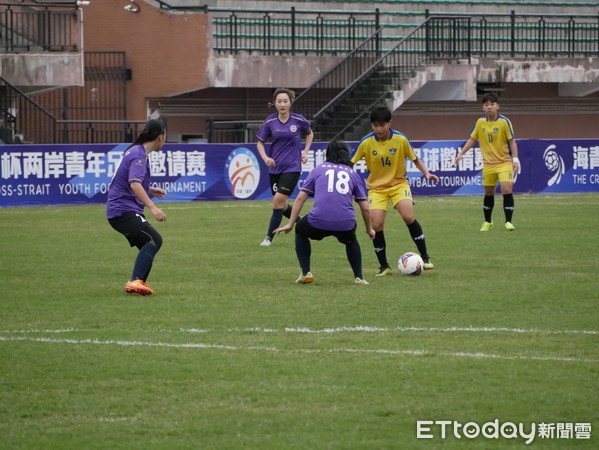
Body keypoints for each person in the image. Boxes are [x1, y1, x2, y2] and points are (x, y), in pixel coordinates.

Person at [351, 106, 438, 276]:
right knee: (376, 225)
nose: (379, 129)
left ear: (390, 123)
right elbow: (349, 164)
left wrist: (427, 173)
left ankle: (425, 258)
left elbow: (415, 158)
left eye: (382, 125)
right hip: (376, 189)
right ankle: (384, 267)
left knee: (408, 216)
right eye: (375, 125)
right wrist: (350, 186)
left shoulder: (400, 139)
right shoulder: (366, 142)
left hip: (399, 184)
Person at [274, 141, 375, 285]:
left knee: (300, 230)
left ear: (327, 154)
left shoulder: (318, 169)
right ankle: (359, 277)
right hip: (345, 223)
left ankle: (305, 273)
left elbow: (301, 197)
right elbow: (365, 207)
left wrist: (290, 223)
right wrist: (369, 229)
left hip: (318, 221)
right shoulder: (352, 173)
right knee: (351, 240)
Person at [106, 119, 167, 296]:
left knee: (148, 245)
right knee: (154, 239)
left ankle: (138, 284)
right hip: (122, 211)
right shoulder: (138, 154)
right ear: (160, 137)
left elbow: (129, 181)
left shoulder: (135, 151)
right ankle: (135, 281)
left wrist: (150, 189)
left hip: (120, 210)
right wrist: (153, 207)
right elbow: (134, 184)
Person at [256, 88, 314, 247]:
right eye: (279, 101)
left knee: (277, 203)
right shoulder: (269, 122)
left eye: (285, 101)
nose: (282, 104)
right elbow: (260, 142)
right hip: (274, 168)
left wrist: (306, 151)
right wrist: (265, 158)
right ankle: (302, 222)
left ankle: (268, 238)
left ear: (290, 102)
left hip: (292, 168)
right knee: (280, 204)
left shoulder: (298, 120)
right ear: (274, 103)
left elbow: (309, 133)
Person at [454, 93, 519, 231]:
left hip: (504, 163)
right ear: (483, 108)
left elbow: (512, 141)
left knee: (506, 189)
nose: (489, 107)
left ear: (497, 106)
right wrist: (461, 153)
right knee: (489, 192)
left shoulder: (504, 122)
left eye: (492, 104)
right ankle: (488, 221)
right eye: (486, 105)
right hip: (488, 165)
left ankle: (508, 221)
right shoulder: (480, 122)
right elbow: (472, 139)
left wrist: (515, 159)